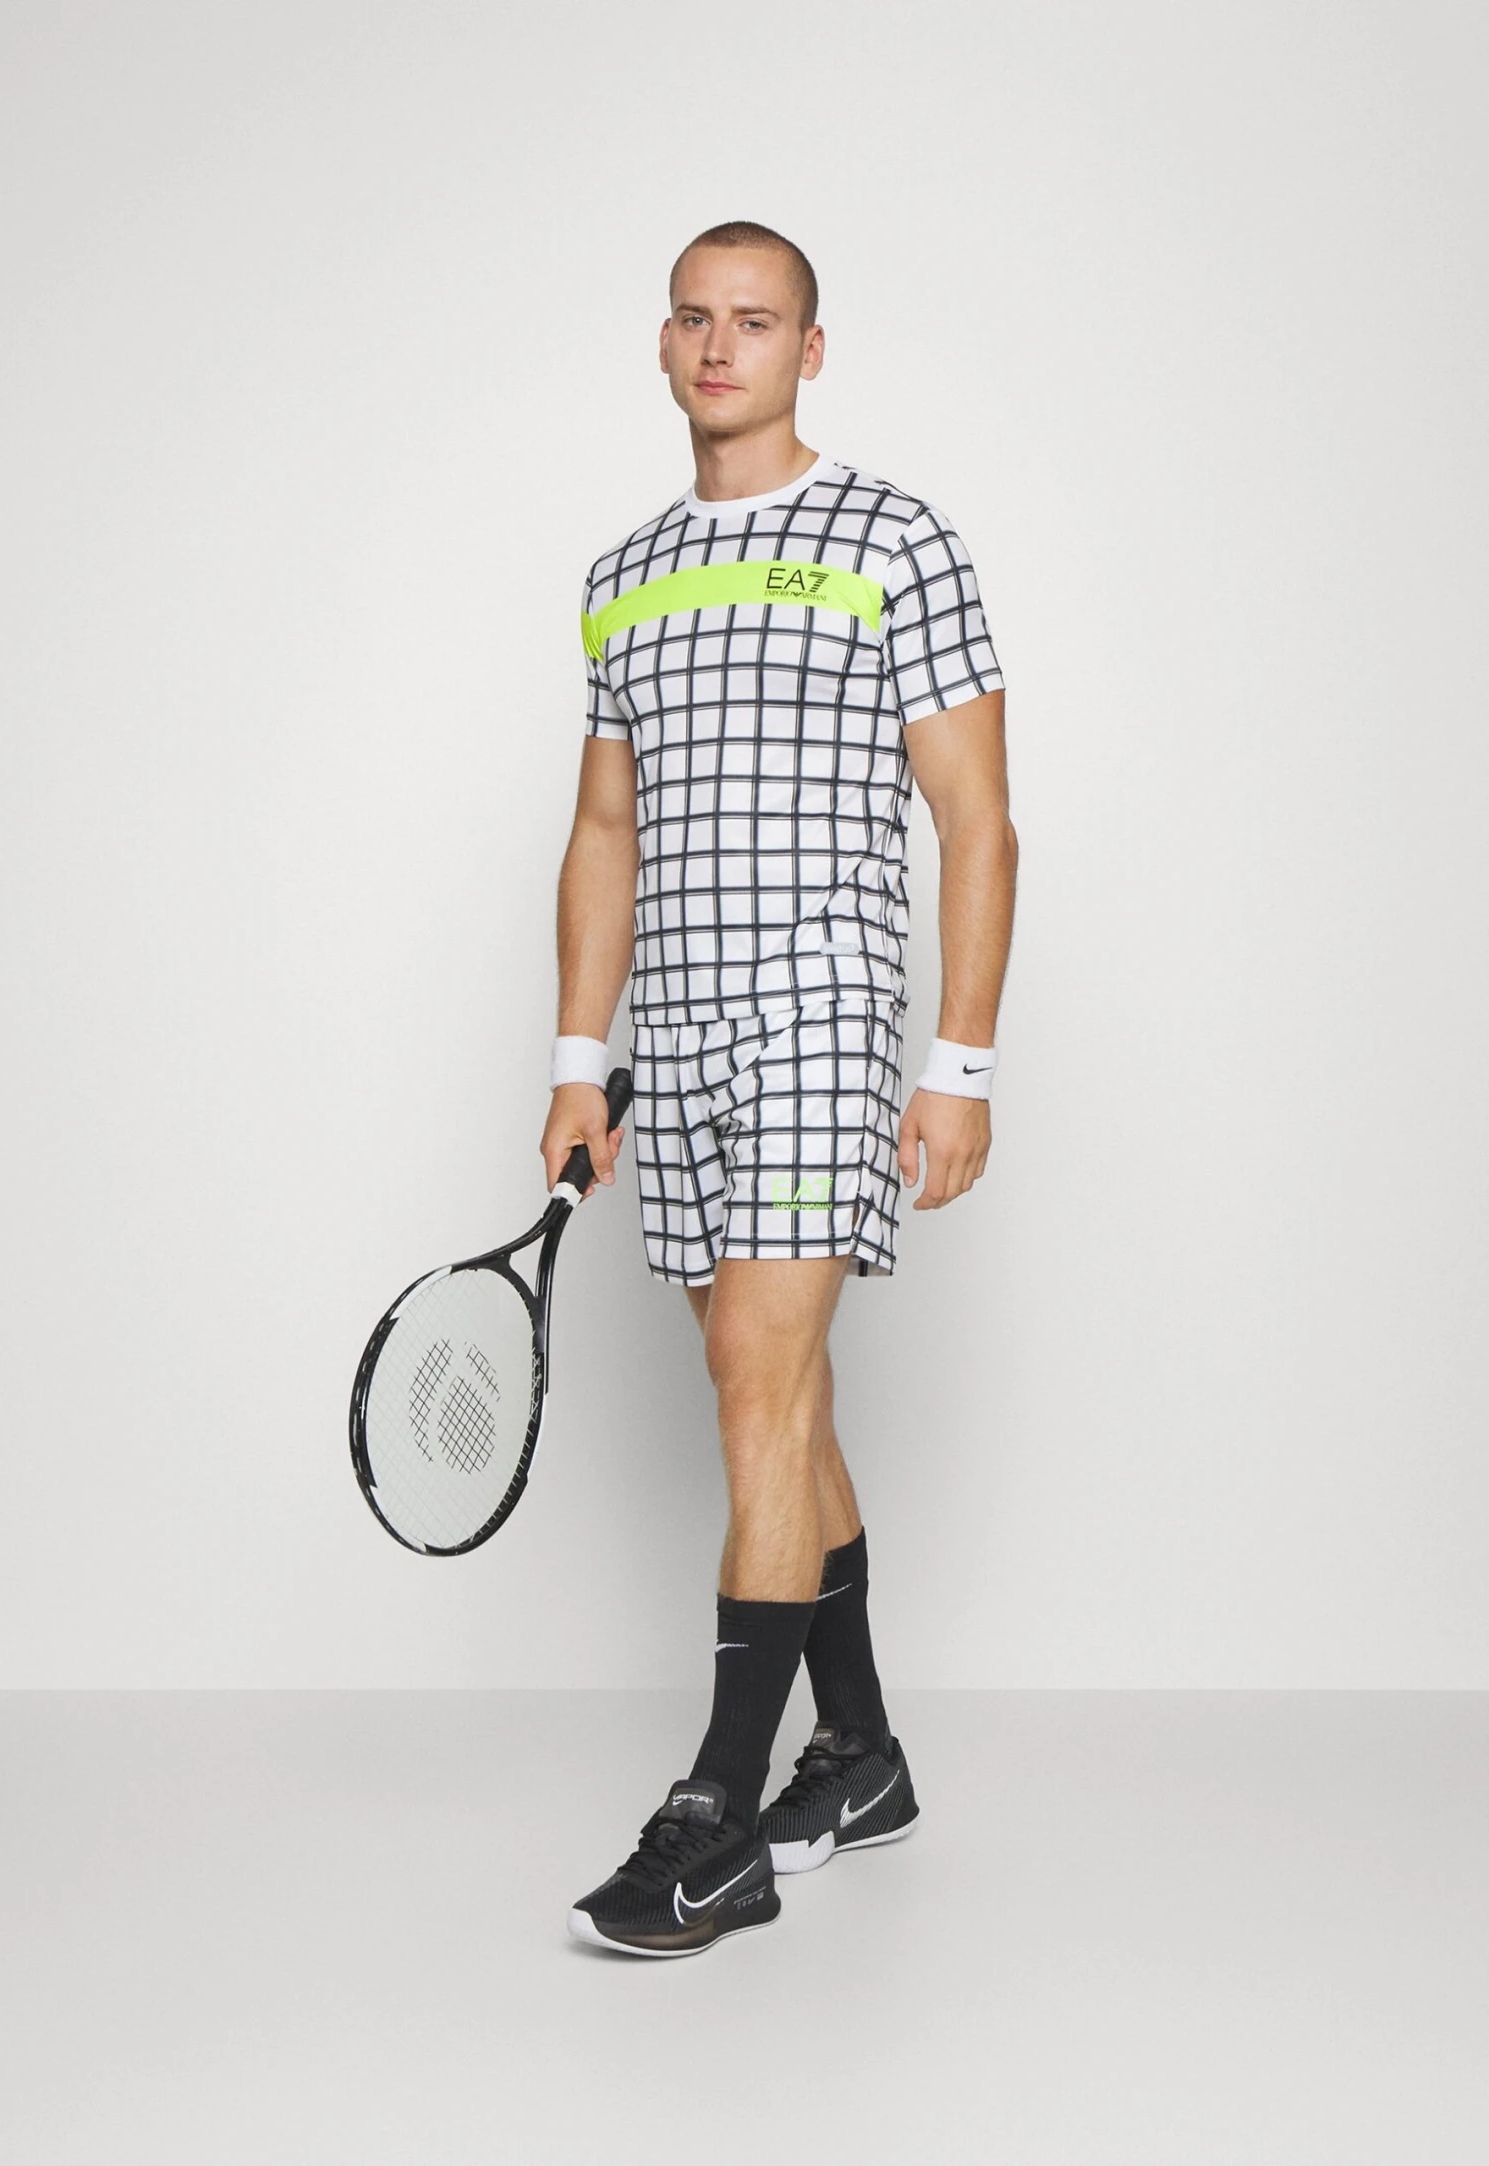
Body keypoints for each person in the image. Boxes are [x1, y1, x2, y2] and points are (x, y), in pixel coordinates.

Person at [541, 221, 1016, 1956]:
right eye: (695, 316)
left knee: (759, 1373)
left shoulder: (896, 537)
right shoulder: (621, 575)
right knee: (779, 1396)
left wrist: (957, 1063)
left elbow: (977, 816)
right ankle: (863, 1756)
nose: (719, 344)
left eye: (756, 320)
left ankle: (716, 1817)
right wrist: (579, 1058)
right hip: (674, 1040)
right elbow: (605, 828)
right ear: (664, 343)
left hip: (825, 1016)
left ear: (810, 351)